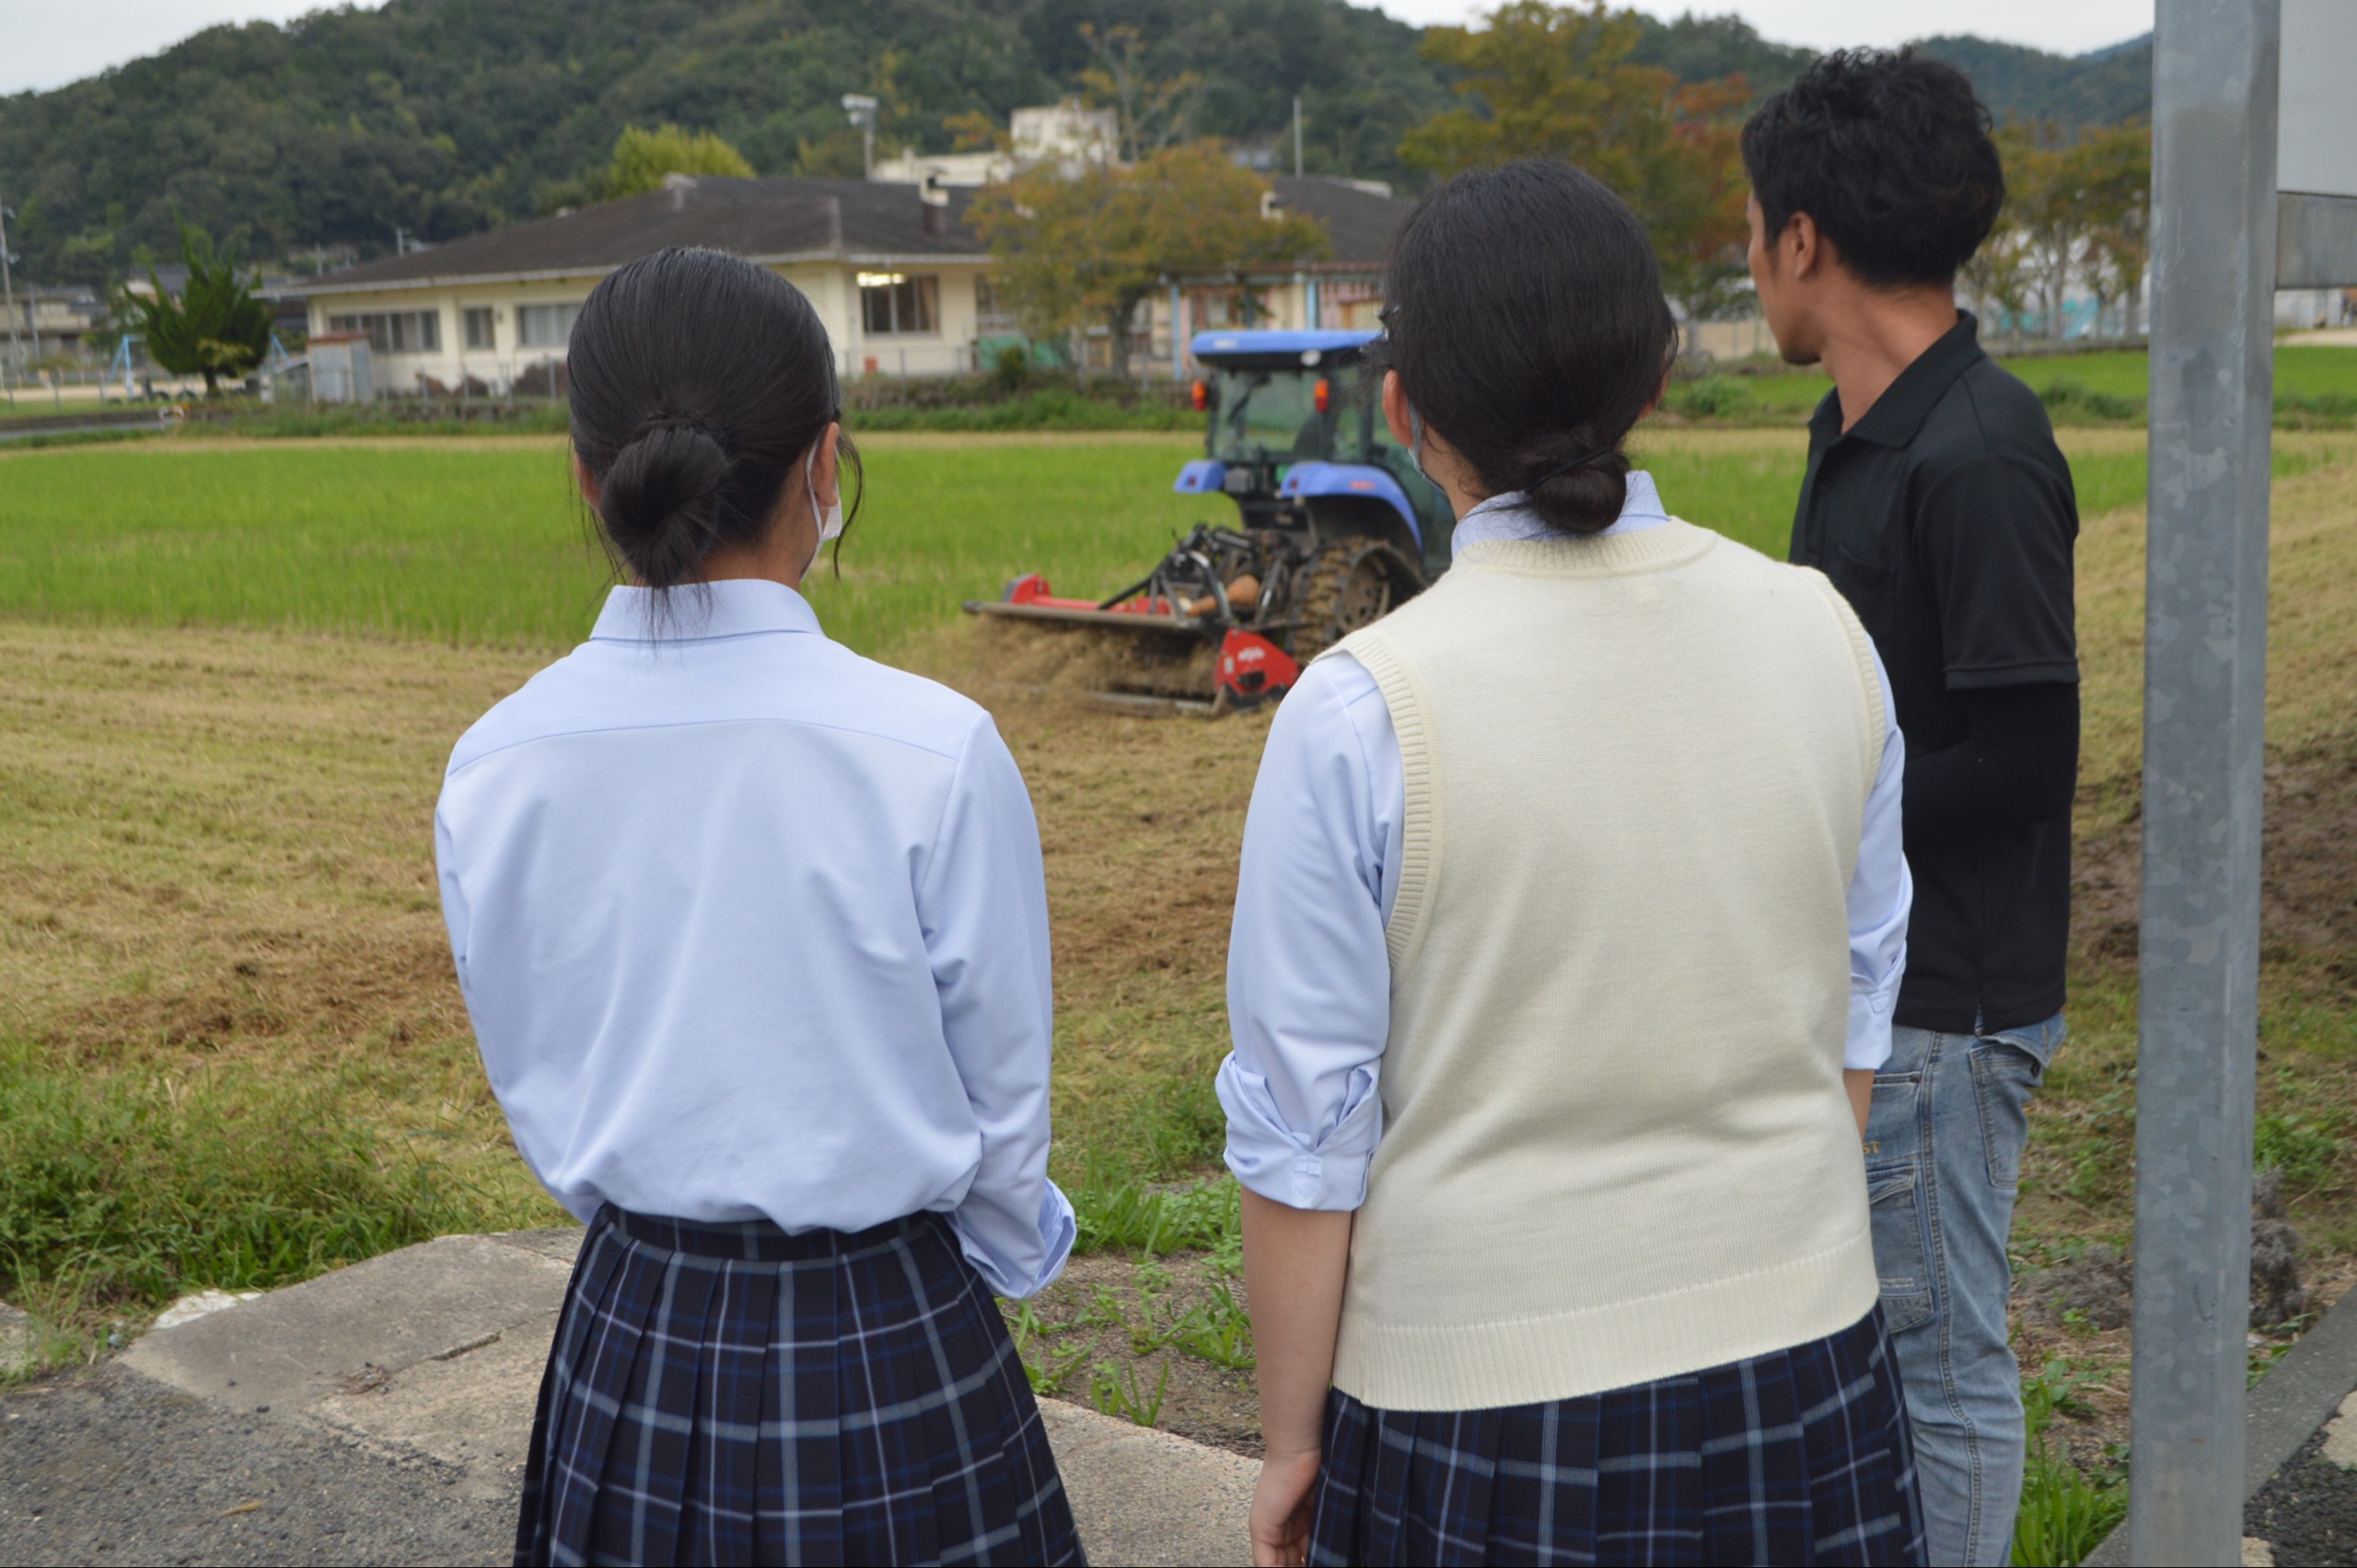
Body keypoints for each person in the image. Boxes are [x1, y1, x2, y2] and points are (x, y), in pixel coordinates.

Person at [1222, 159, 1922, 1568]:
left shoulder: (1363, 707)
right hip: (1808, 1366)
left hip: (1473, 1410)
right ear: (1659, 373)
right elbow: (1857, 1013)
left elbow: (1305, 1141)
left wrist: (1295, 1441)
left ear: (1407, 410)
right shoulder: (1824, 635)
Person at [433, 248, 1082, 1567]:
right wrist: (1000, 1261)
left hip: (636, 1332)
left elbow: (541, 1075)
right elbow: (1004, 1112)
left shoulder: (498, 761)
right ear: (824, 467)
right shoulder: (932, 746)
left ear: (587, 478)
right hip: (894, 1333)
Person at [1742, 51, 2082, 1568]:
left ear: (1802, 237)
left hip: (1948, 1003)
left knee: (1940, 1375)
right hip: (1877, 985)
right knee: (1875, 1361)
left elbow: (2026, 763)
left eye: (1753, 231)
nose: (1749, 263)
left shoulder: (1981, 450)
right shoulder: (1856, 434)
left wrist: (1807, 825)